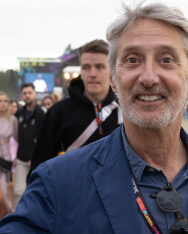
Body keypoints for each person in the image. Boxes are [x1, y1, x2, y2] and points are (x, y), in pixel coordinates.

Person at [0, 2, 188, 233]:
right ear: (115, 79)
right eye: (132, 60)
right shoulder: (58, 181)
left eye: (166, 60)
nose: (148, 77)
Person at [29, 39, 123, 176]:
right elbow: (40, 162)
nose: (92, 74)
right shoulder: (58, 112)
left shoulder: (125, 110)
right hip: (71, 191)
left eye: (100, 67)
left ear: (111, 70)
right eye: (86, 67)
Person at [13, 83, 45, 207]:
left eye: (29, 93)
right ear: (22, 95)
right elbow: (15, 135)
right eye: (25, 93)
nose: (27, 95)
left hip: (37, 159)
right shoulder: (19, 113)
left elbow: (44, 137)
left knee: (35, 191)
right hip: (21, 158)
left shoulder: (41, 113)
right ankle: (17, 220)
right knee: (18, 192)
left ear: (35, 94)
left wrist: (38, 156)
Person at [0, 92, 18, 216]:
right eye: (0, 101)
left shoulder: (13, 120)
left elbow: (17, 140)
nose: (3, 104)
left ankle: (8, 218)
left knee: (6, 193)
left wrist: (15, 157)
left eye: (5, 101)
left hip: (6, 160)